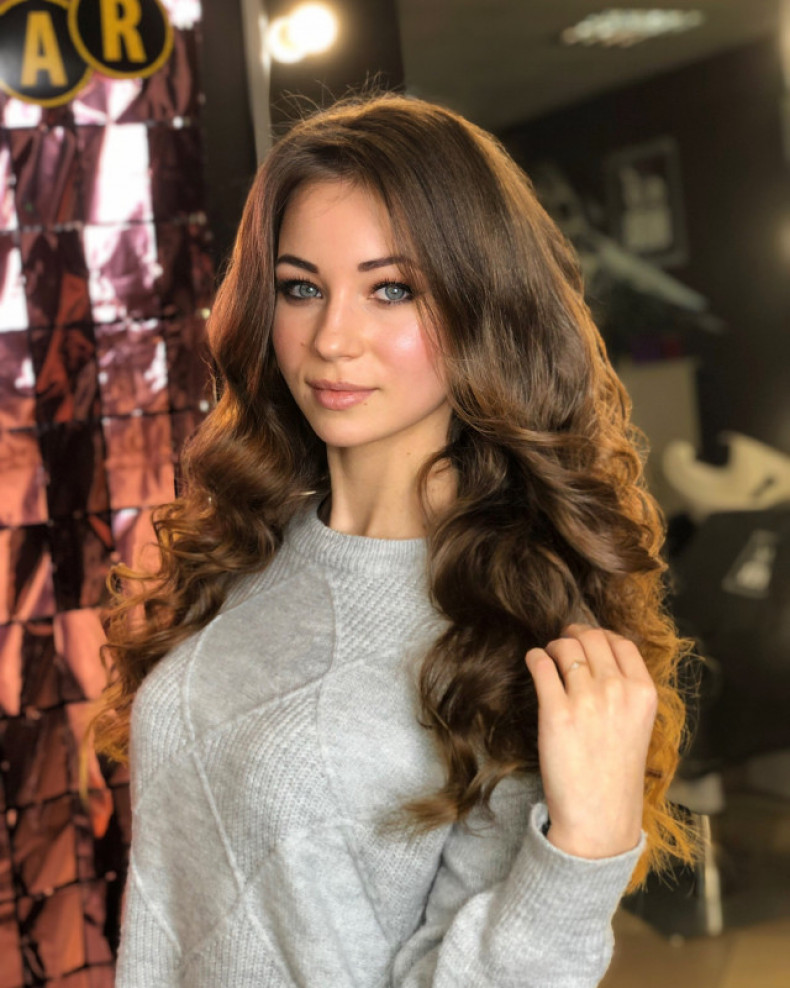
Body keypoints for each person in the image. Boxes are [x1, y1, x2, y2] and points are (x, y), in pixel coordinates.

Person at [89, 92, 698, 987]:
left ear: (481, 305)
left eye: (392, 290)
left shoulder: (509, 636)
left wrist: (587, 849)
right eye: (302, 288)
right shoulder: (240, 551)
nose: (333, 339)